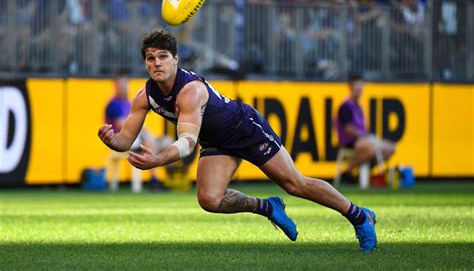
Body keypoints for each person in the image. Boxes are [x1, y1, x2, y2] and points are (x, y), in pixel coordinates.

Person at [97, 28, 377, 251]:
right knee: (209, 199)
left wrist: (157, 160)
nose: (156, 63)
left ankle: (358, 216)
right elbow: (124, 141)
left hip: (245, 128)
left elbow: (187, 144)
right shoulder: (144, 96)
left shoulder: (189, 91)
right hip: (217, 142)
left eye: (162, 57)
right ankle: (268, 207)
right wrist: (111, 140)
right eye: (150, 58)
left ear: (176, 59)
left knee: (294, 183)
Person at [336, 74, 396, 183]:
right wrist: (364, 136)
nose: (359, 91)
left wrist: (367, 137)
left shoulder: (359, 106)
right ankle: (348, 171)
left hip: (362, 139)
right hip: (351, 141)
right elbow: (347, 129)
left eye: (361, 89)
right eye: (357, 89)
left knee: (390, 148)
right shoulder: (345, 106)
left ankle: (361, 173)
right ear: (350, 88)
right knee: (372, 149)